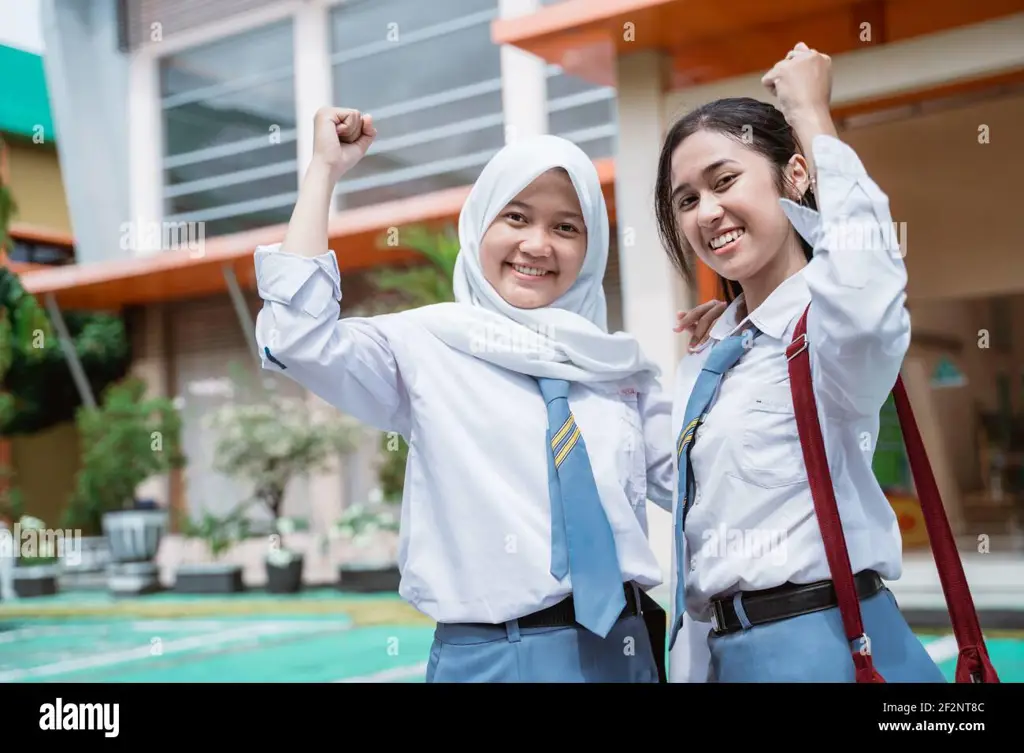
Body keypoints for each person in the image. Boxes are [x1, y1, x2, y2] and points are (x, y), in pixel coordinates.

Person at [252, 107, 674, 682]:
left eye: (566, 227)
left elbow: (702, 486)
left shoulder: (619, 368)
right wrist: (324, 170)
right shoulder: (425, 346)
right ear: (479, 225)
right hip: (491, 658)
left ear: (591, 247)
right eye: (517, 217)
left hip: (622, 654)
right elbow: (299, 339)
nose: (537, 244)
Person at [655, 43, 946, 682]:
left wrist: (812, 116)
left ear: (793, 176)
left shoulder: (829, 330)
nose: (707, 212)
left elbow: (866, 298)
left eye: (725, 181)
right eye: (685, 200)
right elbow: (674, 491)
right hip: (727, 655)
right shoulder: (709, 361)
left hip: (826, 645)